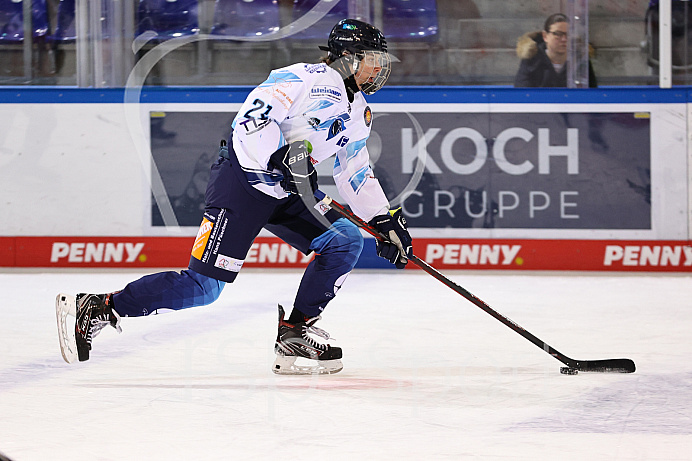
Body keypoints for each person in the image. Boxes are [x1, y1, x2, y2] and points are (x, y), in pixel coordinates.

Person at [55, 19, 413, 375]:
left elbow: (354, 170)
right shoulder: (301, 78)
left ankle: (295, 331)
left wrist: (383, 218)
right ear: (348, 57)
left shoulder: (358, 112)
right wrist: (279, 156)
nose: (379, 68)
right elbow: (251, 120)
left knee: (344, 240)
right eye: (372, 59)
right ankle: (99, 307)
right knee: (203, 288)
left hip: (288, 190)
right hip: (242, 183)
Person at [514, 13, 597, 88]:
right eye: (558, 34)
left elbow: (592, 93)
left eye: (568, 34)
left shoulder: (581, 60)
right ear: (545, 36)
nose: (564, 39)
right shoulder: (531, 60)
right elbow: (522, 93)